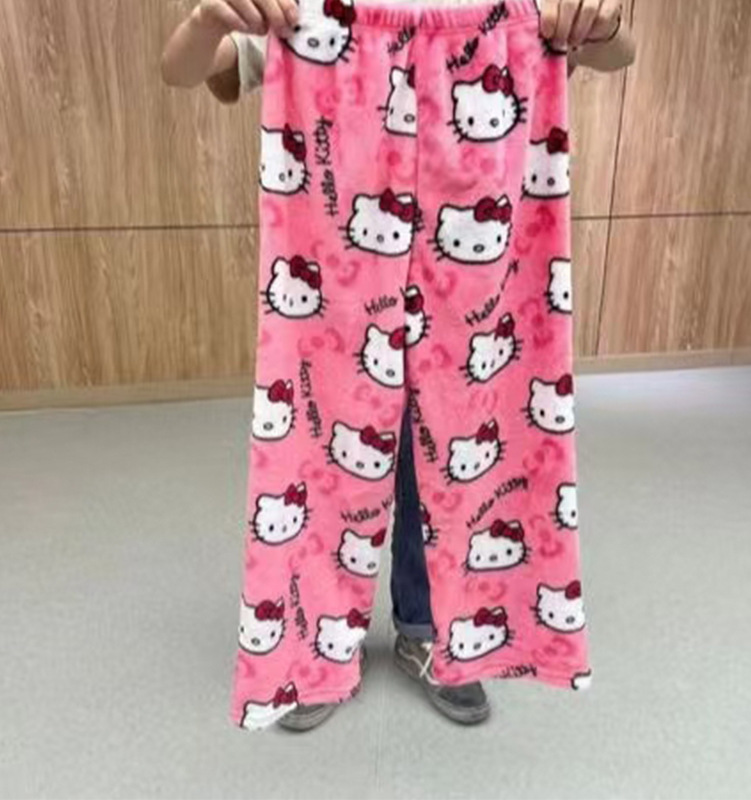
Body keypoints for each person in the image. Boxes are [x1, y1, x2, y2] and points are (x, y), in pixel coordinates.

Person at [162, 0, 635, 733]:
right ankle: (319, 646)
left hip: (477, 201)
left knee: (464, 424)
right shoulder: (310, 10)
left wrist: (597, 22)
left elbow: (616, 53)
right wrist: (205, 19)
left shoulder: (508, 8)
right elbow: (184, 69)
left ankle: (435, 630)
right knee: (323, 427)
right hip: (341, 218)